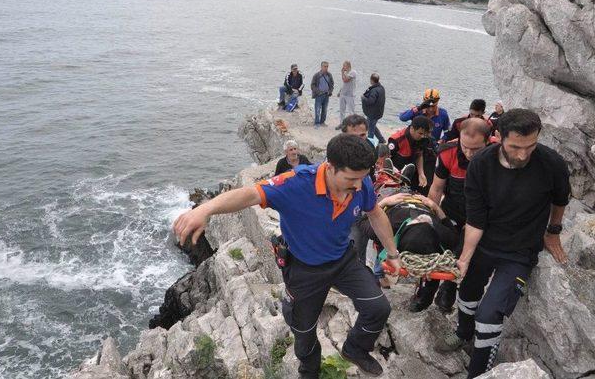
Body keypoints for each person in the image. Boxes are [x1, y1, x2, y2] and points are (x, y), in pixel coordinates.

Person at [173, 134, 402, 378]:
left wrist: (392, 253)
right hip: (305, 269)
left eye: (362, 178)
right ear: (330, 167)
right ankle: (309, 371)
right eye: (351, 179)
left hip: (342, 259)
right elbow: (250, 194)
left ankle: (355, 349)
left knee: (378, 307)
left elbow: (375, 213)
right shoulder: (295, 184)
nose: (358, 186)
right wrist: (206, 208)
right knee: (304, 333)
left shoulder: (361, 183)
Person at [436, 109, 570, 378]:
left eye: (530, 146)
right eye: (515, 147)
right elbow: (475, 219)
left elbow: (560, 199)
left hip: (520, 252)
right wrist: (464, 258)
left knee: (488, 315)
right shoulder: (481, 165)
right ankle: (463, 333)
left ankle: (478, 373)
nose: (523, 154)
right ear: (498, 137)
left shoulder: (551, 163)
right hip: (485, 241)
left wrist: (553, 231)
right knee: (468, 292)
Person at [426, 118, 491, 313]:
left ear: (487, 142)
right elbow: (437, 188)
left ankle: (448, 287)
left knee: (461, 250)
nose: (470, 154)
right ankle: (426, 291)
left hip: (479, 212)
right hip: (452, 208)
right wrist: (430, 215)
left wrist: (477, 221)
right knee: (438, 246)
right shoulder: (447, 153)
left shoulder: (495, 156)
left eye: (476, 149)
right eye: (466, 147)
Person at [358, 192, 460, 309]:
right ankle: (424, 298)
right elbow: (454, 236)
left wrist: (384, 202)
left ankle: (423, 297)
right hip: (420, 204)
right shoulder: (443, 234)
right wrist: (436, 208)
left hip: (401, 202)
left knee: (382, 242)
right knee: (433, 264)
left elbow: (362, 220)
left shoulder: (387, 227)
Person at [387, 115, 432, 191]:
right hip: (394, 173)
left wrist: (421, 174)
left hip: (410, 169)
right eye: (420, 133)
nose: (422, 136)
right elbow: (385, 160)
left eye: (424, 134)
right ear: (412, 128)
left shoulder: (423, 139)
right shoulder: (397, 140)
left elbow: (419, 154)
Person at [361, 73, 386, 143]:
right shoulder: (381, 88)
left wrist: (363, 98)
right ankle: (381, 140)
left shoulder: (374, 90)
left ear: (372, 80)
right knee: (373, 126)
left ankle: (370, 144)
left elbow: (370, 101)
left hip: (372, 113)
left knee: (370, 130)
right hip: (379, 112)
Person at [310, 61, 334, 128]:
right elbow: (312, 85)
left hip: (326, 94)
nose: (326, 68)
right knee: (317, 109)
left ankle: (322, 122)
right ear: (321, 67)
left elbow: (332, 84)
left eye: (327, 66)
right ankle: (317, 123)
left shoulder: (329, 75)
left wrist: (330, 91)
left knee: (325, 109)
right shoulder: (317, 75)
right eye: (324, 66)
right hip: (319, 95)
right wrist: (318, 92)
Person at [336, 61, 357, 129]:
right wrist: (340, 91)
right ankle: (342, 124)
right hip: (343, 94)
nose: (343, 67)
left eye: (344, 66)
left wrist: (342, 73)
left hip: (350, 95)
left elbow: (346, 80)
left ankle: (352, 125)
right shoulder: (346, 73)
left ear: (348, 66)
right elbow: (344, 83)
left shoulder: (353, 72)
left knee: (351, 111)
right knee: (342, 110)